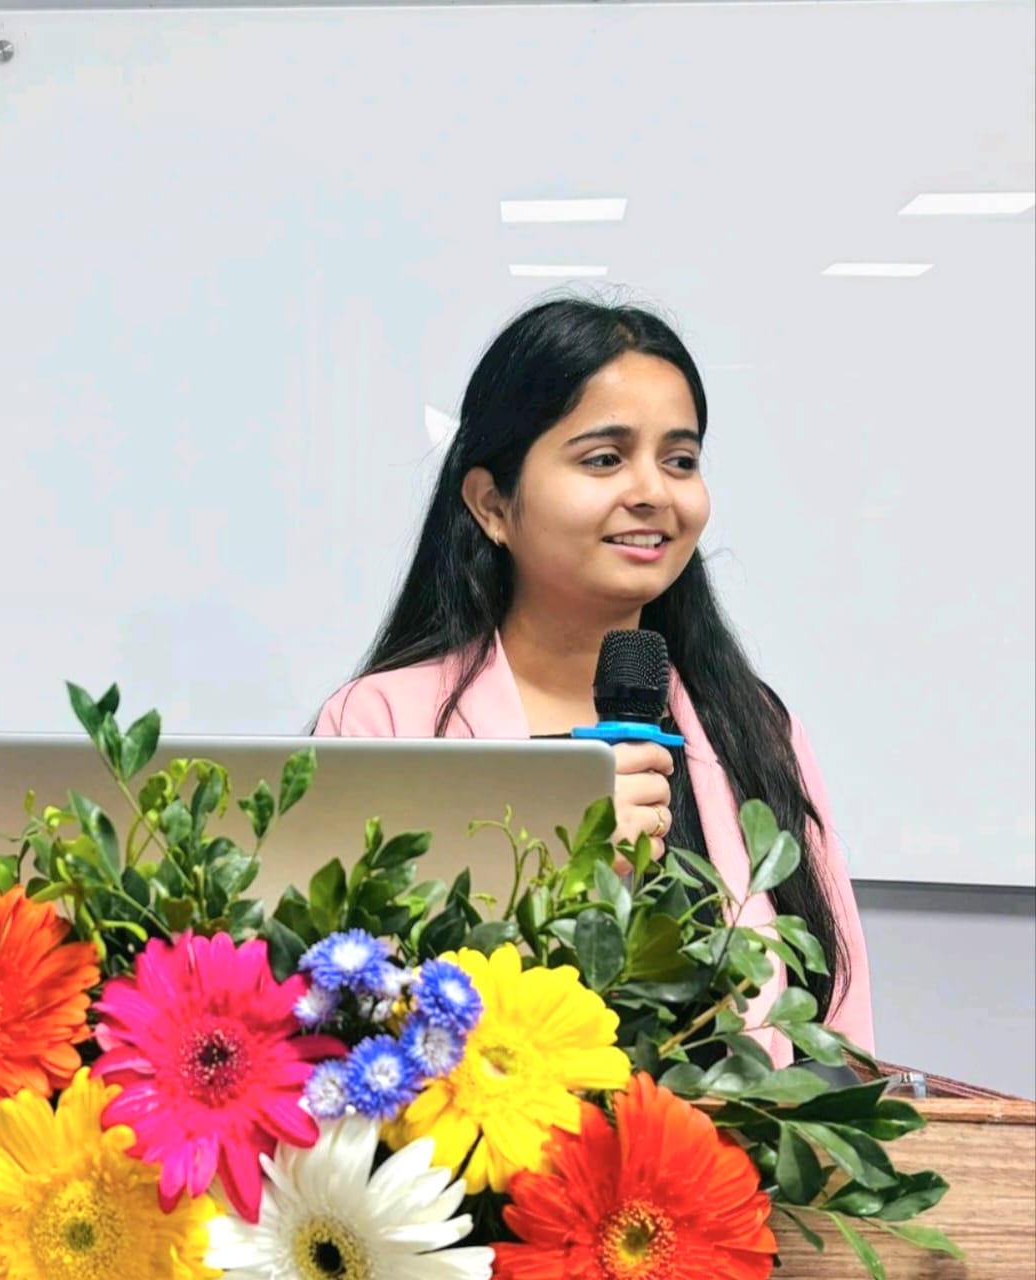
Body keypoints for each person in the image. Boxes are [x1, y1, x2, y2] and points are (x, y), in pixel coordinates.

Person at [314, 297, 874, 1064]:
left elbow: (837, 1031)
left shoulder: (756, 730)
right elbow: (345, 1023)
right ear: (492, 504)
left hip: (729, 1175)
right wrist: (560, 863)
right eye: (604, 458)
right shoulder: (380, 722)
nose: (653, 491)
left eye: (679, 460)